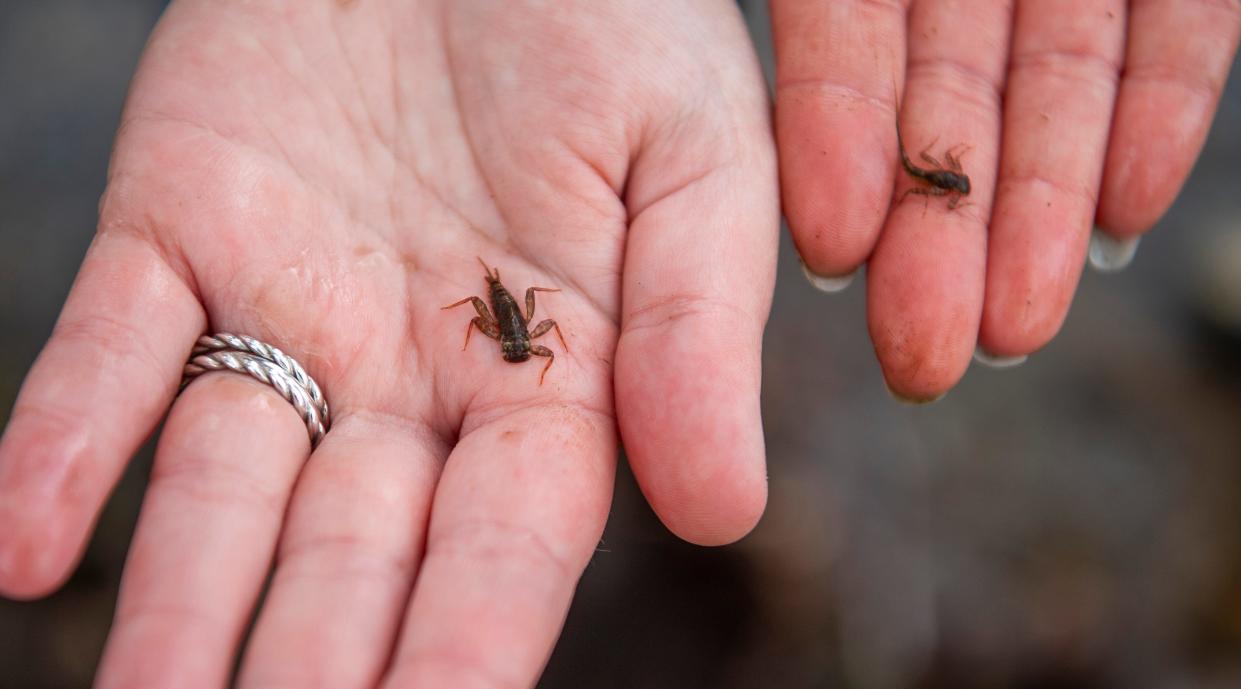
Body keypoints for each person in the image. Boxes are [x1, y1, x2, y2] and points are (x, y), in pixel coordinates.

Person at [0, 1, 1235, 687]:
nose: (507, 328)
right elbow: (509, 332)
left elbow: (522, 338)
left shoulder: (516, 322)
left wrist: (520, 345)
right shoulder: (503, 315)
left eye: (508, 324)